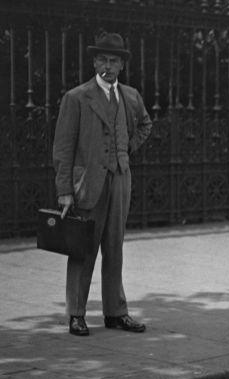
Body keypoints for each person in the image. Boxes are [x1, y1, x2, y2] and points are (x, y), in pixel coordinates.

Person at [52, 32, 152, 336]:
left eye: (114, 60)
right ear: (95, 62)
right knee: (82, 248)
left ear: (122, 65)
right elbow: (63, 148)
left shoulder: (131, 96)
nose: (108, 65)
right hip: (88, 183)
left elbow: (146, 125)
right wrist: (65, 191)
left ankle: (116, 313)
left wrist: (126, 148)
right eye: (103, 59)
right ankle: (77, 314)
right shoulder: (77, 97)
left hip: (120, 179)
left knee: (114, 247)